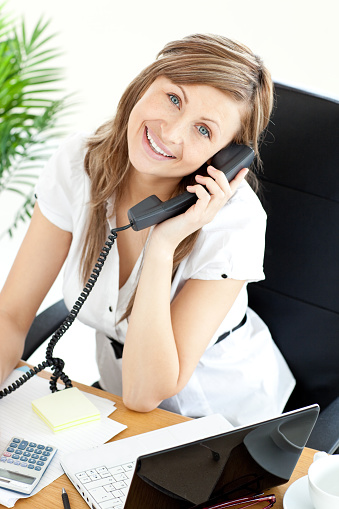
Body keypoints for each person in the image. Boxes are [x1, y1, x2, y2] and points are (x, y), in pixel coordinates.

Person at [0, 34, 295, 426]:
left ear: (224, 158)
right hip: (118, 407)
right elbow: (12, 314)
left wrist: (163, 243)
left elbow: (144, 393)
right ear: (146, 82)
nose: (171, 134)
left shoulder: (234, 222)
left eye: (204, 131)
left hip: (223, 420)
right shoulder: (79, 164)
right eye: (174, 99)